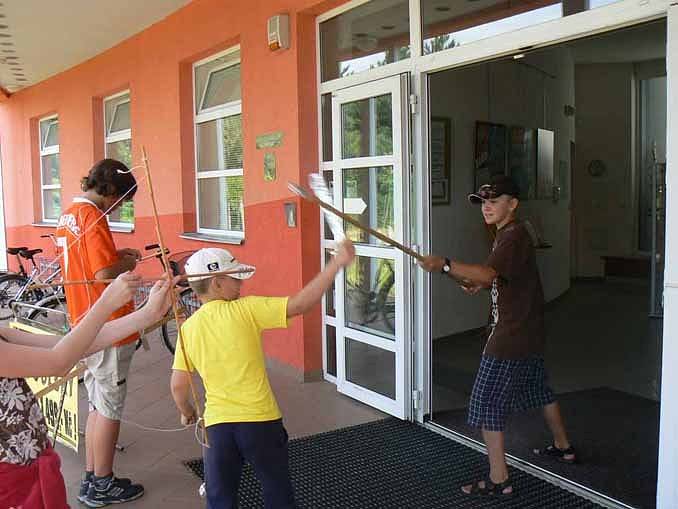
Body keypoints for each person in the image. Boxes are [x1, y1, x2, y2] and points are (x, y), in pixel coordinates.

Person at [419, 174, 575, 497]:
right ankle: (563, 446)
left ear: (513, 204)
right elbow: (498, 275)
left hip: (511, 334)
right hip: (529, 331)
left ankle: (499, 478)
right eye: (483, 202)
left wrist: (446, 265)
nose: (486, 207)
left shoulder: (512, 235)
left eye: (494, 201)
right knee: (540, 389)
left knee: (487, 403)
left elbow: (490, 272)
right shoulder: (508, 234)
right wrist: (477, 282)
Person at [170, 240, 355, 509]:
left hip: (217, 428)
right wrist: (337, 264)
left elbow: (178, 386)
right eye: (235, 279)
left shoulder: (188, 329)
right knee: (276, 488)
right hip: (260, 423)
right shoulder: (247, 309)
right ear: (216, 283)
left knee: (219, 497)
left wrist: (187, 411)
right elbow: (300, 304)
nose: (241, 284)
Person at [0, 272, 173, 509]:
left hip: (29, 466)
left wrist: (147, 314)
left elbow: (72, 344)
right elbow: (57, 362)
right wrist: (105, 303)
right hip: (11, 481)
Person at [55, 159, 145, 507]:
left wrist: (117, 253)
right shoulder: (92, 216)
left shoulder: (69, 216)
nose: (119, 207)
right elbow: (104, 272)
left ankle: (93, 477)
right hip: (108, 326)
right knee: (108, 407)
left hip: (84, 322)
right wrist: (126, 263)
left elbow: (89, 263)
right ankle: (103, 483)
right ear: (109, 189)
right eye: (120, 199)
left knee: (96, 404)